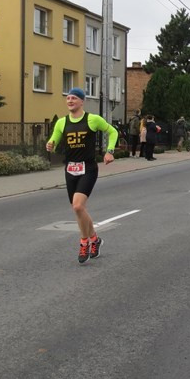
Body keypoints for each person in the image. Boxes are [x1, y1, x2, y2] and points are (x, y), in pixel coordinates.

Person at [45, 87, 117, 264]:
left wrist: (109, 151)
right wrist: (50, 144)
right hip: (70, 169)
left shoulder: (92, 119)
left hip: (88, 168)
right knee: (79, 209)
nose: (70, 101)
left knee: (78, 206)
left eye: (74, 98)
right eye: (68, 98)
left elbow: (113, 132)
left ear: (81, 101)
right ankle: (95, 239)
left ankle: (84, 242)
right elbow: (54, 138)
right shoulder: (62, 122)